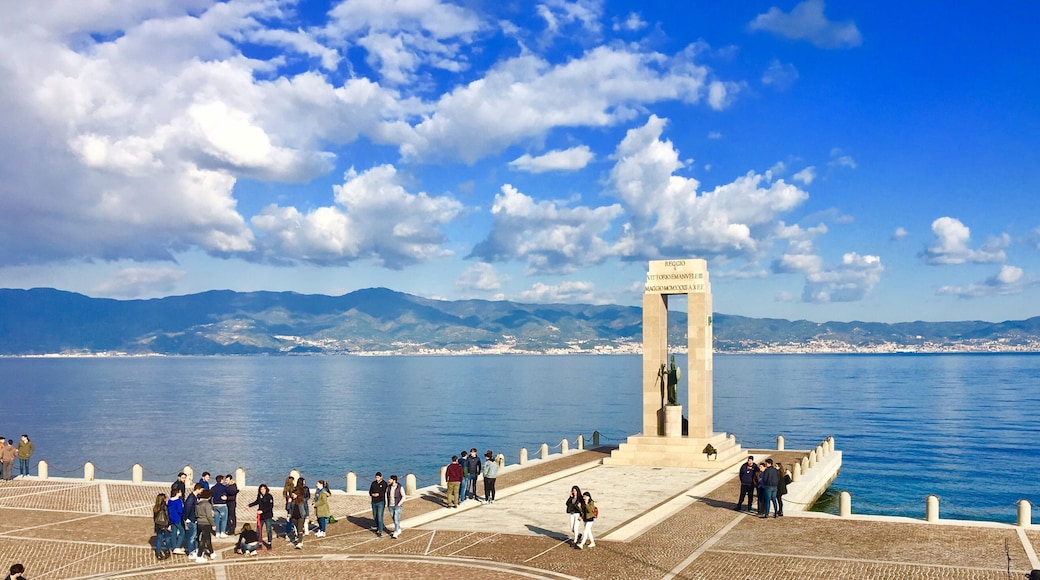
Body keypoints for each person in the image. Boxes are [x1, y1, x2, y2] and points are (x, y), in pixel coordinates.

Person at [249, 483, 275, 548]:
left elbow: (270, 506)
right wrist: (249, 505)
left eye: (263, 489)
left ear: (266, 489)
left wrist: (262, 511)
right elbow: (256, 502)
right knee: (258, 530)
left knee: (268, 529)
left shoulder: (269, 496)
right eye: (261, 489)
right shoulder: (259, 496)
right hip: (261, 516)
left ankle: (269, 543)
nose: (262, 490)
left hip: (268, 516)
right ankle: (259, 543)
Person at [195, 489, 215, 563]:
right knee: (203, 540)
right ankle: (199, 556)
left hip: (199, 522)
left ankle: (212, 552)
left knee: (207, 538)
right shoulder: (207, 504)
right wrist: (213, 524)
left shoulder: (198, 503)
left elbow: (196, 513)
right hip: (206, 523)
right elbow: (209, 516)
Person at [182, 483, 202, 558]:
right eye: (201, 490)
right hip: (191, 519)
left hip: (193, 519)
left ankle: (193, 549)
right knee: (192, 536)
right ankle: (191, 552)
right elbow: (187, 508)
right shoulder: (191, 498)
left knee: (194, 535)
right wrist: (187, 518)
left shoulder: (194, 497)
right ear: (198, 489)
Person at [152, 492, 172, 560]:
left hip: (158, 525)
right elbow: (167, 516)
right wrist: (169, 524)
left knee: (159, 539)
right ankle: (167, 551)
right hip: (165, 524)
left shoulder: (156, 508)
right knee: (167, 538)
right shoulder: (165, 507)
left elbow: (154, 518)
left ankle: (158, 553)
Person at [369, 472, 388, 537]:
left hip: (381, 502)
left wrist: (379, 494)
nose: (377, 479)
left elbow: (384, 492)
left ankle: (380, 530)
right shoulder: (373, 483)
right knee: (375, 516)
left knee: (380, 516)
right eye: (376, 477)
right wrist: (372, 494)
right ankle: (378, 526)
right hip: (374, 502)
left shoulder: (384, 483)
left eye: (378, 477)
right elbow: (370, 491)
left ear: (381, 477)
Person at [167, 487, 185, 555]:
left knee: (174, 532)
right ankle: (177, 546)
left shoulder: (169, 501)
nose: (181, 493)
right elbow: (180, 510)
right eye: (180, 492)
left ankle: (174, 547)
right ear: (177, 493)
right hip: (177, 518)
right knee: (182, 532)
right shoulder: (178, 501)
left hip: (171, 518)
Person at [210, 475, 229, 539]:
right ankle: (222, 532)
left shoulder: (213, 488)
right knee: (224, 519)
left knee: (216, 519)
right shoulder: (224, 487)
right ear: (221, 480)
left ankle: (217, 532)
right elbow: (229, 492)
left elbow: (211, 496)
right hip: (222, 504)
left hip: (215, 505)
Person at [387, 475, 404, 539]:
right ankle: (398, 528)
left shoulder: (400, 487)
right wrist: (387, 504)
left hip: (397, 505)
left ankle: (396, 532)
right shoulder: (389, 487)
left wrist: (399, 503)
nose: (389, 480)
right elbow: (387, 495)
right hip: (390, 505)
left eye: (390, 479)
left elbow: (403, 496)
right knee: (394, 518)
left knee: (396, 519)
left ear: (394, 480)